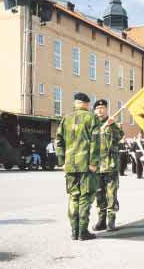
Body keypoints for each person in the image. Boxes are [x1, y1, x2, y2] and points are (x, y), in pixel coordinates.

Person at [56, 92, 100, 241]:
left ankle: (74, 231)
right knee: (85, 198)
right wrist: (93, 162)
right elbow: (95, 141)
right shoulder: (91, 117)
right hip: (86, 165)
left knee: (73, 197)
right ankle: (83, 231)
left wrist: (62, 161)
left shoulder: (65, 119)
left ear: (75, 103)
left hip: (70, 165)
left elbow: (59, 140)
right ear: (87, 104)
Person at [93, 99, 124, 232]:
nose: (100, 110)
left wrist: (111, 126)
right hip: (96, 167)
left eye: (103, 108)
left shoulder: (114, 124)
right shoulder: (91, 125)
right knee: (99, 194)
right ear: (94, 110)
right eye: (98, 108)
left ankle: (111, 221)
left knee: (111, 194)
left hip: (110, 165)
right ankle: (101, 220)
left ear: (106, 109)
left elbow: (119, 137)